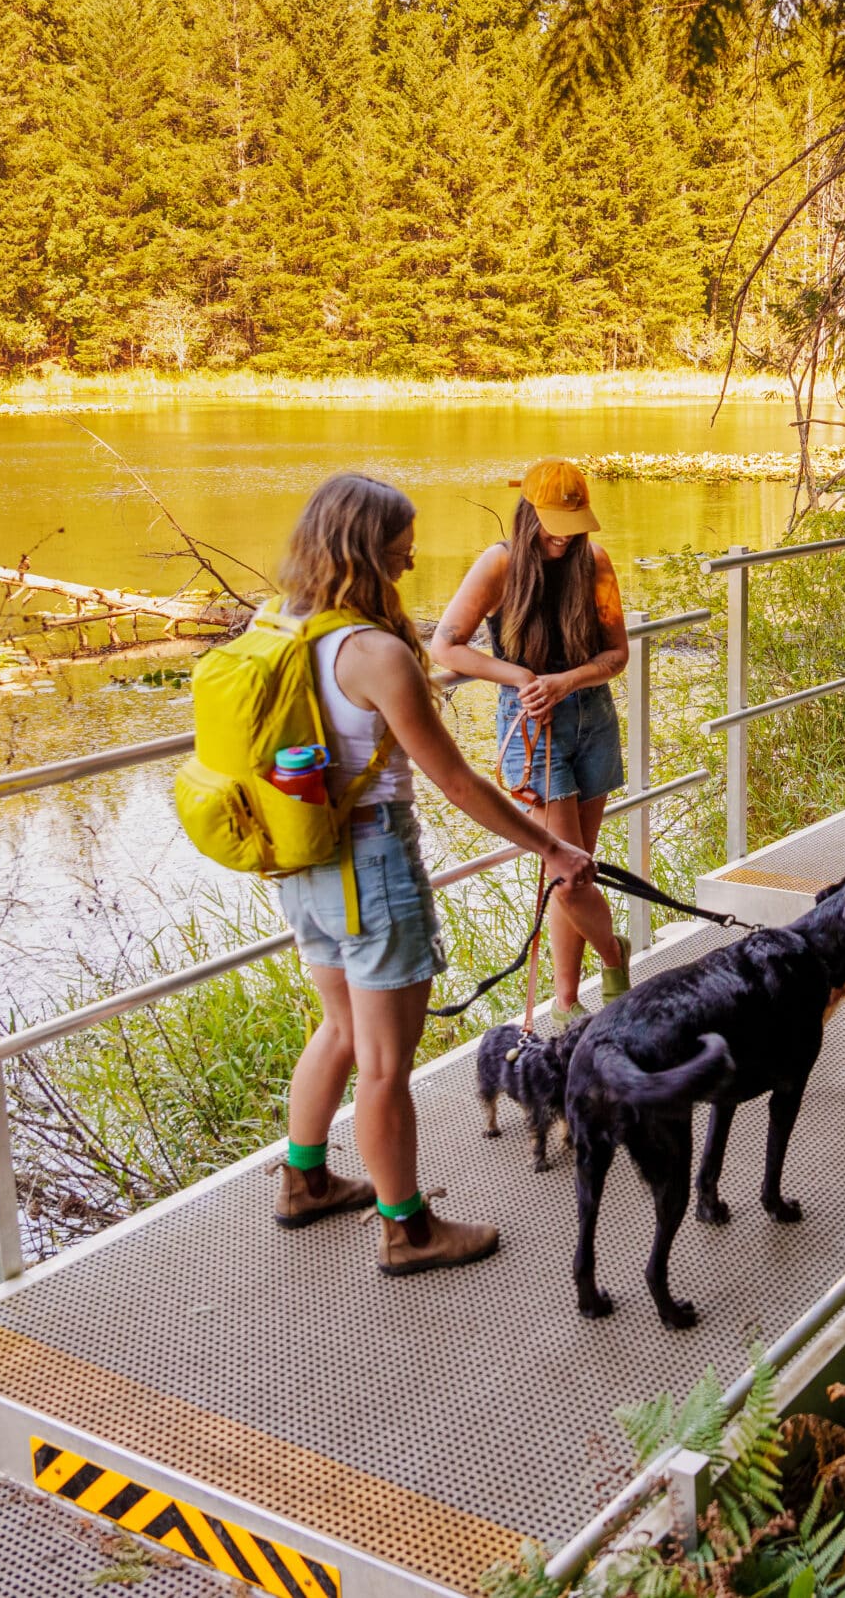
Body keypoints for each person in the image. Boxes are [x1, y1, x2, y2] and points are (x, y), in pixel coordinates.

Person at [271, 472, 630, 1275]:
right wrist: (549, 847)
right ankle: (407, 1228)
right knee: (386, 1063)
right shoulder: (379, 654)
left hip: (307, 862)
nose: (411, 555)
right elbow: (458, 781)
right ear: (365, 544)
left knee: (335, 1030)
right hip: (372, 866)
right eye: (401, 540)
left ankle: (302, 1180)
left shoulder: (292, 627)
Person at [431, 460, 631, 1024]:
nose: (563, 533)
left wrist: (567, 680)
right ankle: (615, 959)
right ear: (528, 511)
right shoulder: (499, 564)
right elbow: (445, 647)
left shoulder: (594, 563)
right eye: (553, 521)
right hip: (532, 729)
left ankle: (566, 1004)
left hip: (592, 719)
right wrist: (518, 677)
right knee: (568, 877)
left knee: (577, 871)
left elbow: (616, 656)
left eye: (572, 521)